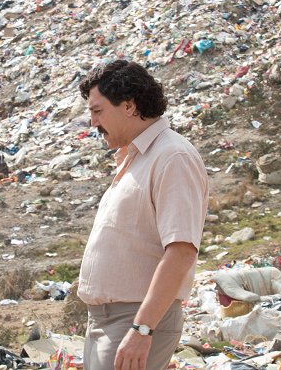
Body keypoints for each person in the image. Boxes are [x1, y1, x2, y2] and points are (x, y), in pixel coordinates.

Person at [76, 60, 208, 370]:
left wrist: (143, 328)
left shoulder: (172, 156)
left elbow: (181, 250)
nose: (92, 123)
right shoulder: (135, 157)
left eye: (97, 111)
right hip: (106, 322)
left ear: (129, 106)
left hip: (136, 320)